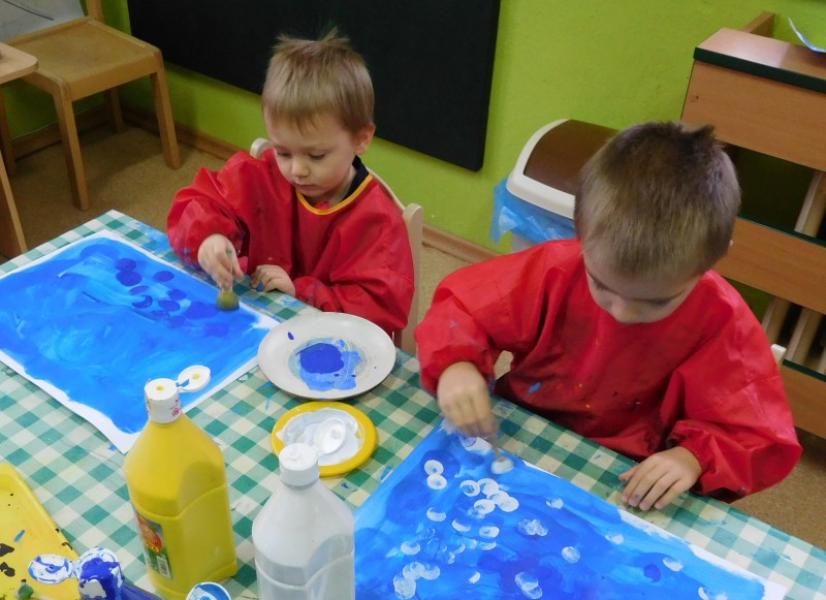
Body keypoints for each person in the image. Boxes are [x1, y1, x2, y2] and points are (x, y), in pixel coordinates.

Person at [415, 122, 801, 511]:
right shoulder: (553, 270)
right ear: (579, 233)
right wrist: (457, 365)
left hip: (634, 470)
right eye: (601, 285)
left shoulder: (723, 321)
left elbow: (756, 436)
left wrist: (692, 458)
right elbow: (463, 309)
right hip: (523, 429)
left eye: (655, 303)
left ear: (712, 259)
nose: (622, 313)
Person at [167, 32, 414, 335]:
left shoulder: (377, 223)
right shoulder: (260, 175)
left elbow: (375, 313)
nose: (297, 170)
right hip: (258, 328)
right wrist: (208, 238)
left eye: (316, 155)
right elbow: (198, 204)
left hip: (324, 343)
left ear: (361, 139)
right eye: (283, 152)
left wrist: (301, 292)